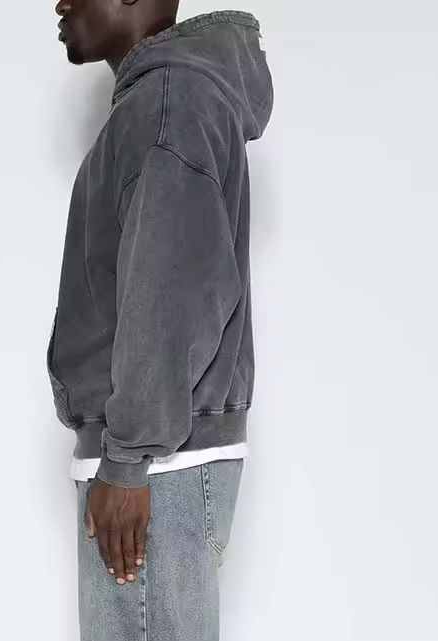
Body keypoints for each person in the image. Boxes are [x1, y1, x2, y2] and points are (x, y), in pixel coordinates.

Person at [48, 1, 274, 639]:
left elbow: (169, 291)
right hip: (157, 461)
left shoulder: (169, 104)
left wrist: (127, 461)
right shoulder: (164, 102)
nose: (61, 3)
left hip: (154, 467)